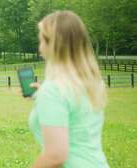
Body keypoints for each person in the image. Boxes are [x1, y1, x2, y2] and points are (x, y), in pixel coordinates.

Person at [28, 11, 109, 167]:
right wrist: (42, 92)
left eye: (41, 41)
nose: (40, 47)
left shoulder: (53, 91)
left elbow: (55, 156)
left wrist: (47, 94)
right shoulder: (92, 83)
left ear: (54, 44)